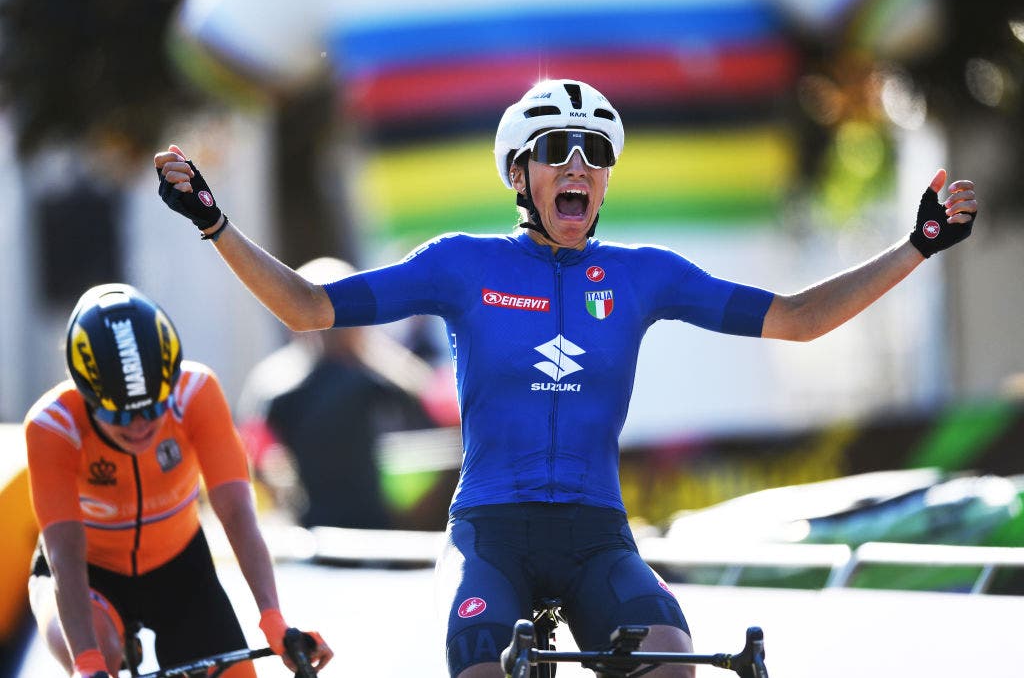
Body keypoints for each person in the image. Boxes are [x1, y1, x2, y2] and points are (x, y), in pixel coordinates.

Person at [154, 78, 977, 678]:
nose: (577, 164)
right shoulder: (461, 264)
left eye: (597, 152)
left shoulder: (645, 274)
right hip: (491, 537)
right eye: (556, 150)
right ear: (520, 174)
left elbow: (797, 318)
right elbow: (305, 307)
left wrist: (916, 246)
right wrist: (215, 224)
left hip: (597, 537)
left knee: (675, 664)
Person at [24, 284, 333, 678]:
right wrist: (87, 664)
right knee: (99, 651)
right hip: (87, 573)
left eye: (153, 409)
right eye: (119, 415)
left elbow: (237, 512)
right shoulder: (53, 424)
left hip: (179, 568)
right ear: (86, 396)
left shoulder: (197, 391)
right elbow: (64, 551)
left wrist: (273, 620)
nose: (138, 427)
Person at [236, 256, 435, 529]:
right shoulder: (284, 385)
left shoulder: (276, 383)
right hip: (348, 526)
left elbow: (253, 459)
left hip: (329, 526)